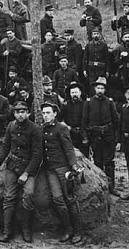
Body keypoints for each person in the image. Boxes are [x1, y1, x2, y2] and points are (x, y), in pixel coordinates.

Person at [0, 101, 42, 243]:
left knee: (28, 194)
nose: (20, 115)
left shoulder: (35, 129)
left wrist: (26, 174)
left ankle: (26, 229)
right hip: (12, 166)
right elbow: (6, 145)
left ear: (28, 113)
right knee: (9, 196)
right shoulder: (11, 126)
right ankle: (7, 230)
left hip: (28, 167)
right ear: (14, 113)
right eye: (17, 112)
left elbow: (37, 155)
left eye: (23, 112)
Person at [40, 102, 83, 244]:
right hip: (50, 170)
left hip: (63, 169)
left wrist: (73, 166)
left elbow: (69, 149)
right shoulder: (42, 129)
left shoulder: (61, 128)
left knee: (70, 199)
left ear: (55, 113)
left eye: (48, 113)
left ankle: (78, 232)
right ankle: (68, 229)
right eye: (44, 113)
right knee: (57, 199)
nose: (45, 116)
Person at [82, 77, 120, 196]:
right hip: (95, 136)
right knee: (97, 161)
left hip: (108, 135)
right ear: (94, 89)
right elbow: (84, 121)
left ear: (105, 90)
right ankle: (99, 186)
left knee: (109, 162)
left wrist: (117, 139)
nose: (100, 90)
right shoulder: (88, 103)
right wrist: (85, 137)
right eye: (98, 88)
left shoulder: (109, 102)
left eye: (102, 88)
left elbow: (116, 121)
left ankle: (111, 187)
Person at [59, 82, 89, 157]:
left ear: (80, 92)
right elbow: (59, 118)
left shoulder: (86, 104)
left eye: (76, 92)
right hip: (70, 133)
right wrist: (66, 126)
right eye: (72, 93)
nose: (74, 94)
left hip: (84, 133)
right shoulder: (66, 105)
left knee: (84, 155)